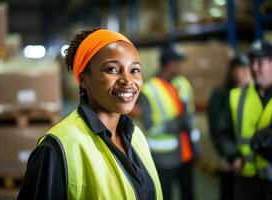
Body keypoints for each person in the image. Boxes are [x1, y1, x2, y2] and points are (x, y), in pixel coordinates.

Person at [17, 28, 163, 200]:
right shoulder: (57, 150)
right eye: (113, 69)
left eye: (134, 70)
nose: (128, 81)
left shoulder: (137, 136)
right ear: (84, 79)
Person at [136, 44, 199, 200]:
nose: (180, 66)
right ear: (169, 64)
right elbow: (150, 127)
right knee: (165, 195)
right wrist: (175, 124)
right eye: (178, 63)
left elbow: (190, 116)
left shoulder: (182, 83)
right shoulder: (149, 90)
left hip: (186, 152)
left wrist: (196, 148)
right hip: (164, 158)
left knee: (189, 194)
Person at [216, 40, 272, 200]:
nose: (254, 67)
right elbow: (222, 133)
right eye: (252, 62)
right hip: (246, 180)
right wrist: (233, 155)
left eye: (260, 62)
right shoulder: (237, 96)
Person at [207, 54, 251, 200]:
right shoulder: (221, 94)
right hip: (228, 155)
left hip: (248, 158)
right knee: (228, 191)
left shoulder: (253, 94)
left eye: (245, 70)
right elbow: (217, 129)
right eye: (237, 70)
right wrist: (228, 153)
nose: (241, 74)